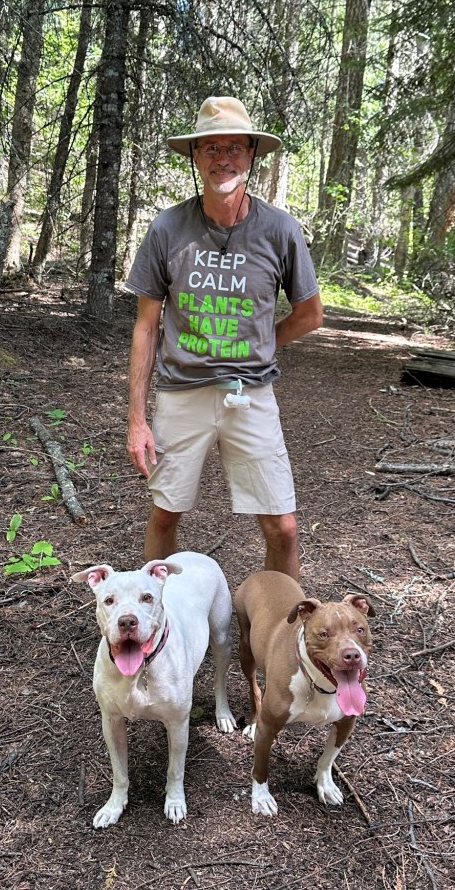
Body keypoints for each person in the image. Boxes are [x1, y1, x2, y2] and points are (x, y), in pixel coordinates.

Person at [125, 96, 323, 579]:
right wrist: (136, 420)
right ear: (195, 157)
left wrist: (261, 342)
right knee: (165, 513)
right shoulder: (168, 228)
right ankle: (156, 628)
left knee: (283, 528)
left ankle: (284, 638)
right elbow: (146, 326)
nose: (223, 159)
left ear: (252, 153)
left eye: (234, 147)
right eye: (210, 148)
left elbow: (310, 314)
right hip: (181, 393)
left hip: (251, 396)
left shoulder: (279, 229)